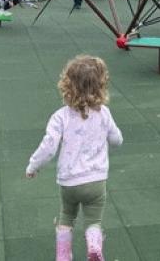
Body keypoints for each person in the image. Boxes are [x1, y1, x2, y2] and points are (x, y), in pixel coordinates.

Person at [26, 55, 123, 261]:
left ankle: (63, 256)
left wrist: (33, 166)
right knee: (93, 220)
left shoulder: (60, 116)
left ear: (67, 86)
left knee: (67, 216)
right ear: (101, 86)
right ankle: (94, 247)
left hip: (69, 182)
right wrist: (109, 140)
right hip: (96, 181)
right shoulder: (103, 113)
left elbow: (49, 147)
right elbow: (117, 139)